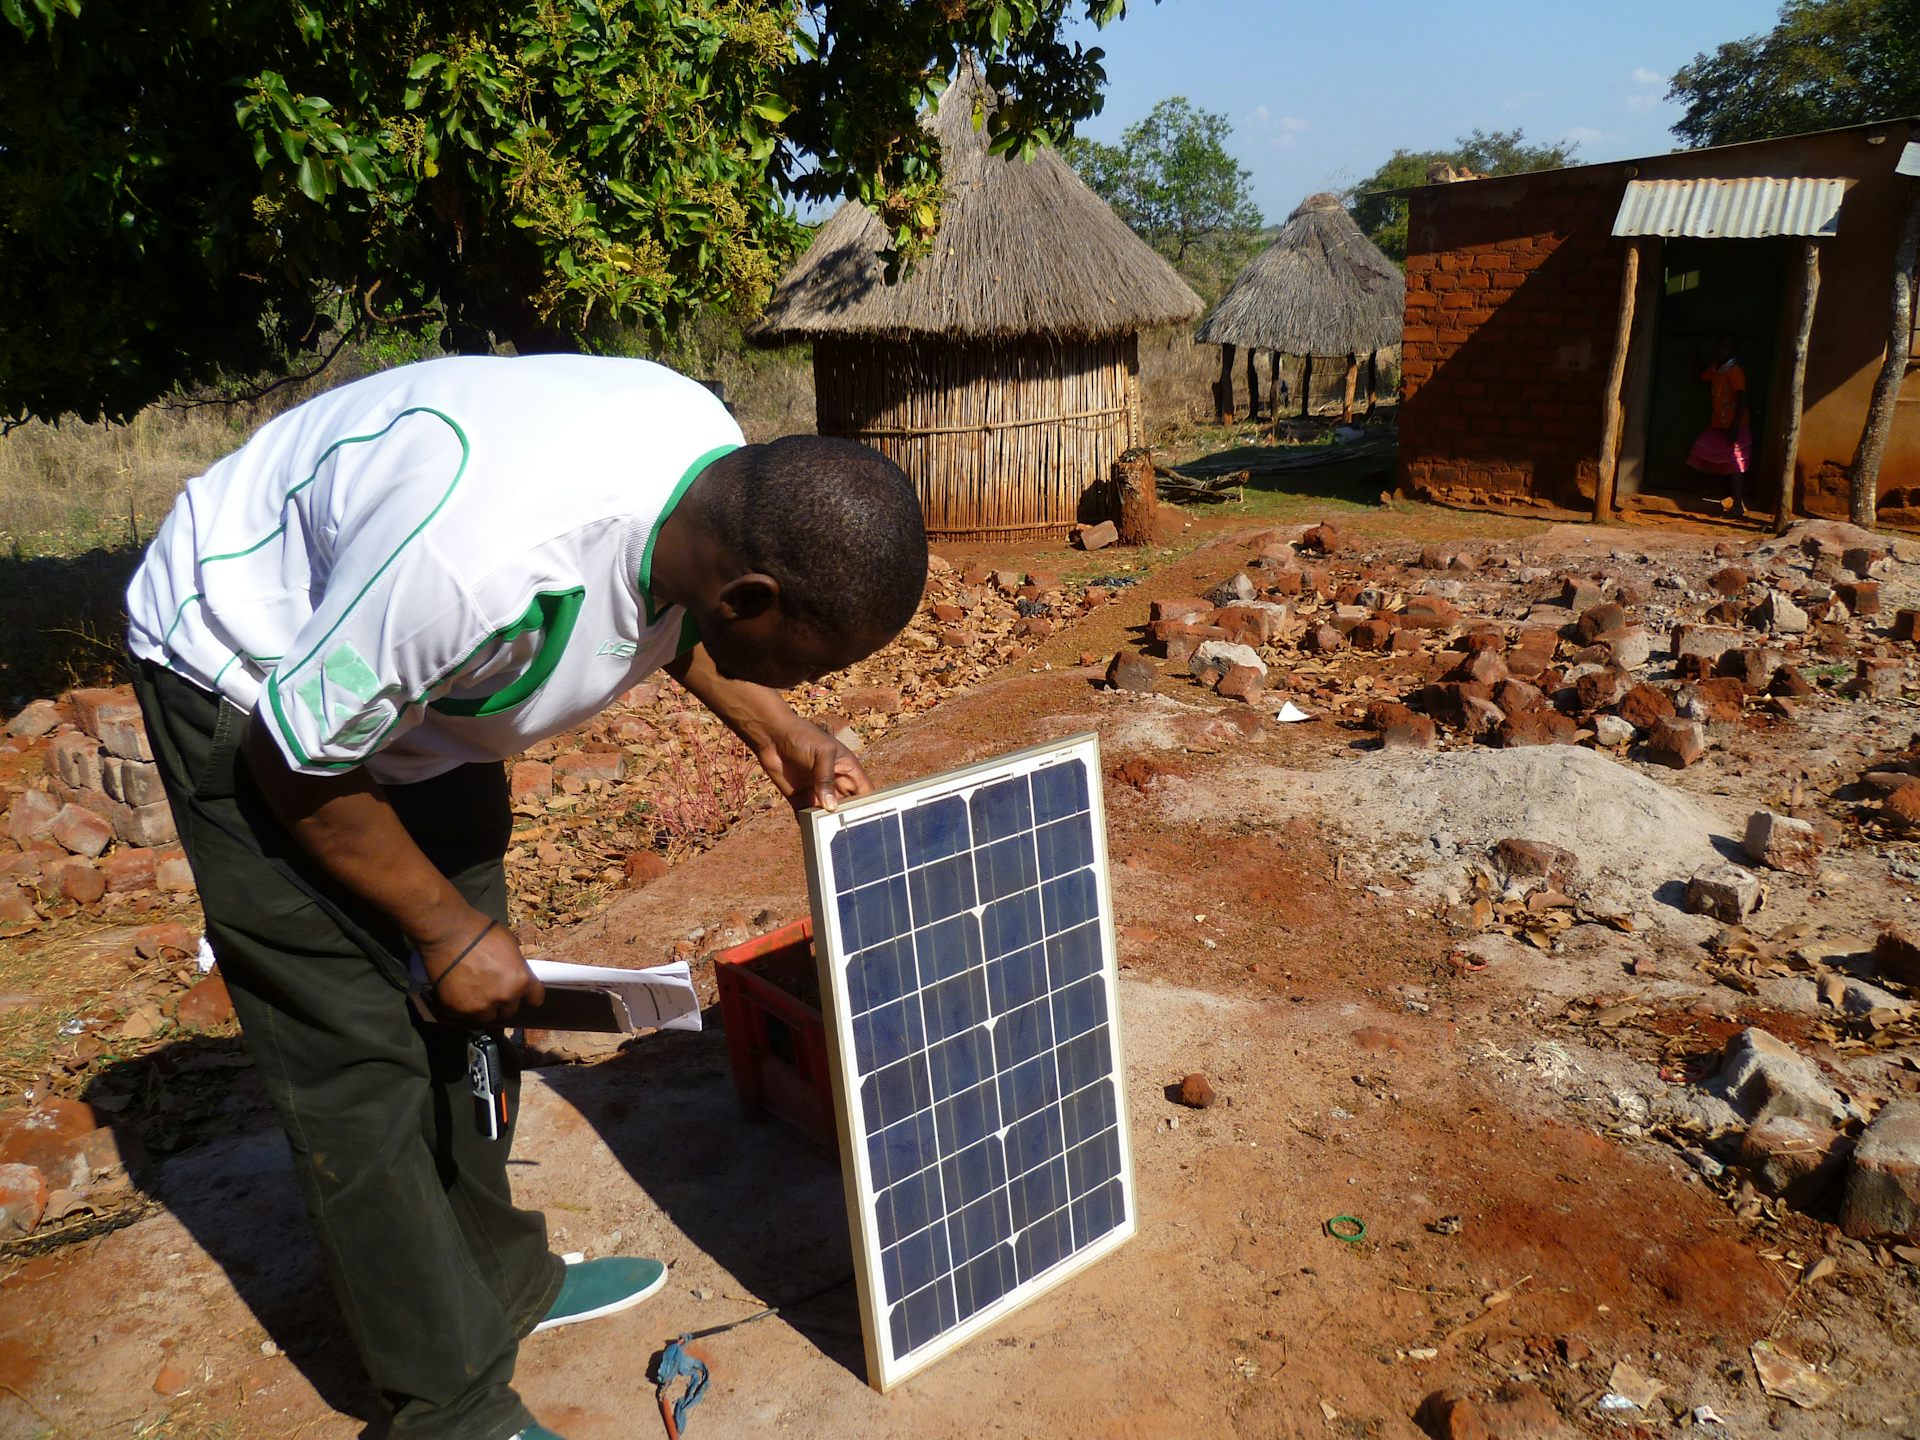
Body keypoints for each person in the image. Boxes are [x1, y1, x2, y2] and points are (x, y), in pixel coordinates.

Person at [123, 354, 928, 1440]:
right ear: (752, 596)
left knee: (477, 1013)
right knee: (358, 1056)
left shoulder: (709, 478)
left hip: (408, 687)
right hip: (249, 676)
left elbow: (676, 616)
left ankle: (502, 1281)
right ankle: (447, 1405)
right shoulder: (477, 567)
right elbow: (299, 761)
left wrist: (779, 731)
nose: (806, 687)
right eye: (805, 668)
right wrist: (445, 930)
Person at [1686, 336, 1752, 518]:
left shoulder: (1735, 371)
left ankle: (1738, 503)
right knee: (1710, 455)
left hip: (1734, 425)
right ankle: (1714, 489)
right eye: (1719, 347)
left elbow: (1742, 398)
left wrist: (1736, 425)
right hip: (1719, 424)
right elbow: (1701, 377)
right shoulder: (1716, 370)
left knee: (1735, 463)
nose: (1720, 351)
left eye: (1725, 347)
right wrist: (1694, 359)